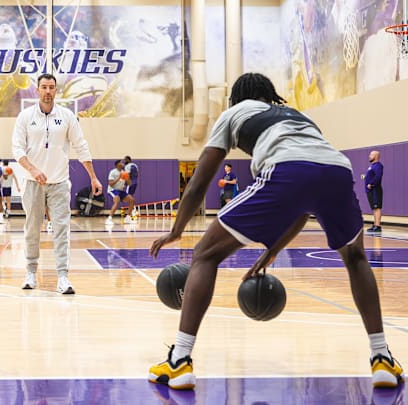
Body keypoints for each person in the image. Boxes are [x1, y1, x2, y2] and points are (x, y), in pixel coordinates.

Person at [148, 73, 403, 390]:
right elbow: (304, 203)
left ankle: (179, 360)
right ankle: (382, 357)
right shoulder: (299, 117)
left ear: (236, 98)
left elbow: (200, 181)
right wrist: (274, 249)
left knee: (204, 255)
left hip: (285, 170)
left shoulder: (234, 113)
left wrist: (176, 229)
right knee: (355, 258)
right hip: (337, 170)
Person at [12, 73, 102, 294]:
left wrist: (93, 176)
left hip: (60, 183)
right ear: (37, 90)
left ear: (56, 90)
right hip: (33, 183)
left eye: (51, 87)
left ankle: (63, 277)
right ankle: (31, 272)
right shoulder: (25, 116)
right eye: (44, 87)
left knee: (61, 230)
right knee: (32, 229)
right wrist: (33, 169)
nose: (48, 91)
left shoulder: (67, 116)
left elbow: (81, 145)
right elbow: (17, 149)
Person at [105, 159, 135, 225]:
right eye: (121, 162)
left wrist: (127, 179)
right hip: (113, 190)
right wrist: (119, 178)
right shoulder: (113, 172)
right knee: (117, 201)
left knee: (132, 200)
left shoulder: (124, 172)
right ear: (117, 164)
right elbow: (110, 184)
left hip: (120, 190)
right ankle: (109, 219)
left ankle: (128, 217)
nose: (123, 164)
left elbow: (129, 184)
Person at [365, 150, 383, 233]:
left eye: (371, 155)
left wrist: (371, 184)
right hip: (370, 191)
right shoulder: (372, 166)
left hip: (375, 189)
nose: (369, 156)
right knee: (374, 208)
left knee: (377, 207)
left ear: (375, 156)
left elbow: (378, 176)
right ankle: (375, 225)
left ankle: (378, 226)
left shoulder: (378, 166)